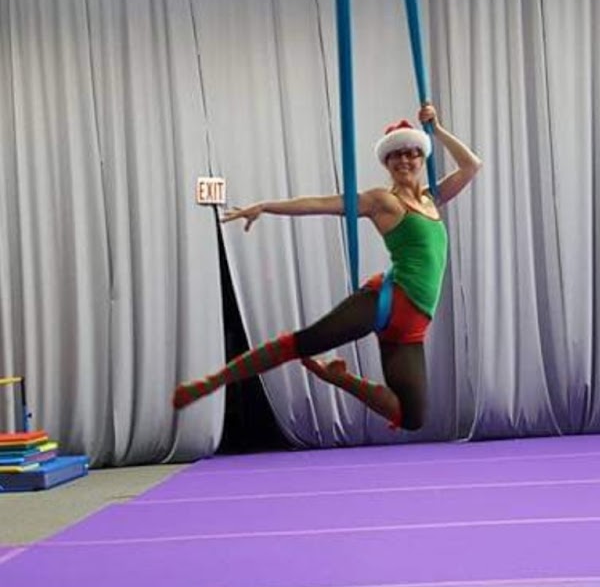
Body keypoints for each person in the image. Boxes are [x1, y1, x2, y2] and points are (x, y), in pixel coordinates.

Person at [172, 103, 481, 430]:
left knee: (412, 418)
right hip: (387, 302)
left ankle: (339, 377)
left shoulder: (432, 198)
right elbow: (321, 204)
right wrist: (266, 206)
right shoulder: (382, 201)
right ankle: (213, 382)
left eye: (411, 153)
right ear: (387, 163)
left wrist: (436, 130)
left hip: (412, 325)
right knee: (303, 343)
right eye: (396, 155)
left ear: (421, 158)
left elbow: (471, 165)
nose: (404, 160)